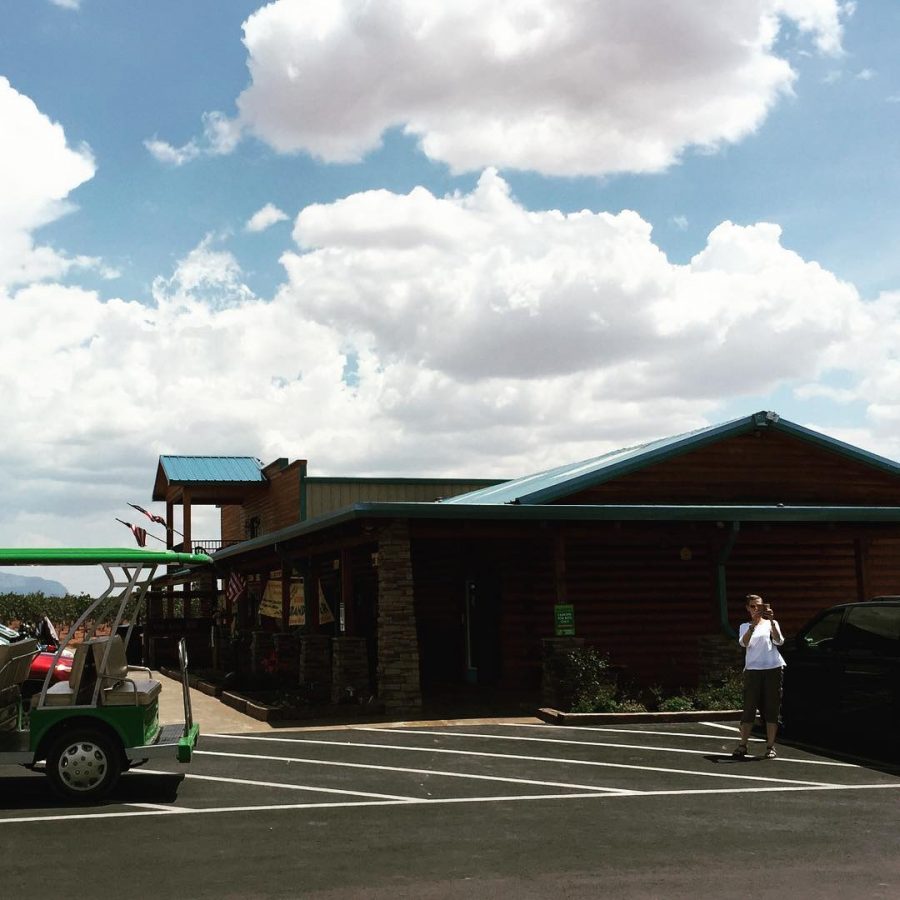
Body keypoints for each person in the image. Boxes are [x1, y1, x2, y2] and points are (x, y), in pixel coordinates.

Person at [733, 593, 786, 759]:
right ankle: (743, 745)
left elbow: (779, 641)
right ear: (748, 608)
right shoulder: (745, 626)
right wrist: (752, 626)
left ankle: (770, 746)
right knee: (749, 707)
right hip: (753, 669)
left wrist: (771, 621)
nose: (757, 609)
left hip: (773, 667)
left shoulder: (772, 623)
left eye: (760, 606)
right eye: (753, 606)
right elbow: (744, 643)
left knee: (772, 706)